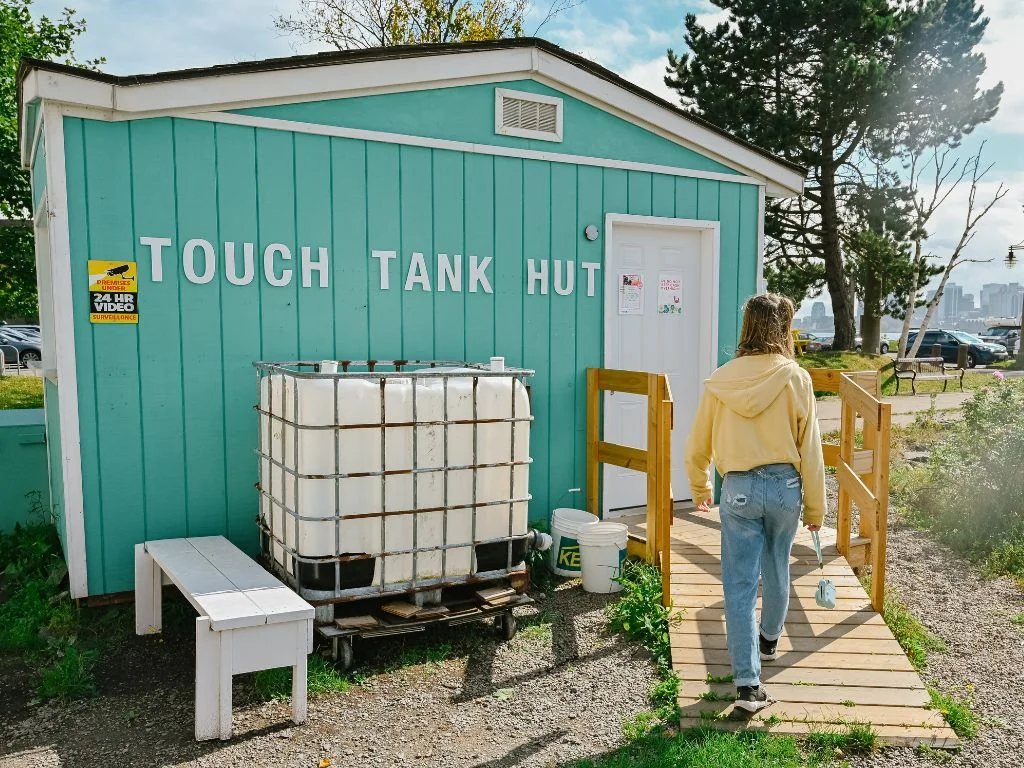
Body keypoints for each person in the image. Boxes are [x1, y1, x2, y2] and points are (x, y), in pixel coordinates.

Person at [684, 294, 825, 713]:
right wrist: (816, 509)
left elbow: (697, 444)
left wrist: (699, 487)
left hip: (739, 487)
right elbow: (811, 448)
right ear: (783, 328)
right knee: (777, 564)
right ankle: (768, 642)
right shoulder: (796, 378)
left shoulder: (721, 379)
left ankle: (747, 685)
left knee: (740, 582)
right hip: (785, 487)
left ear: (747, 325)